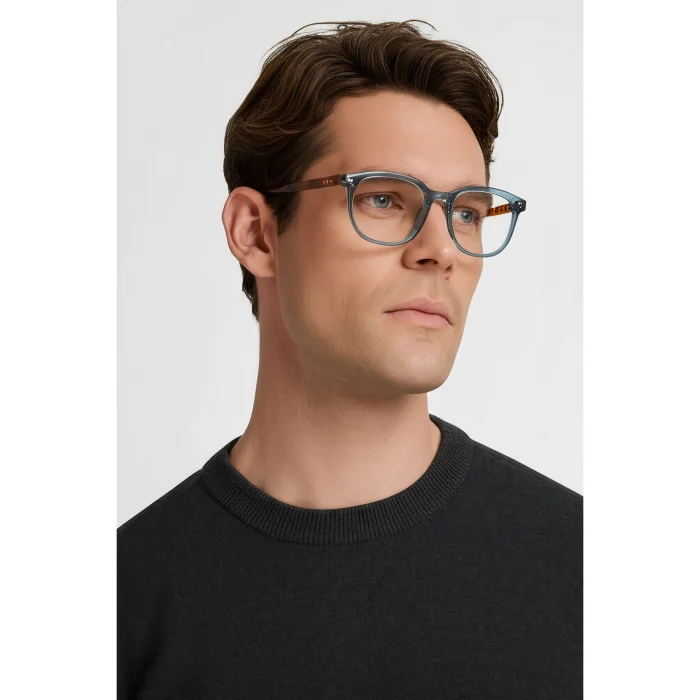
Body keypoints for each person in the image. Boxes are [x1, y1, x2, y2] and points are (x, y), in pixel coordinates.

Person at [118, 20, 582, 699]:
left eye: (466, 212)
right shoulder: (122, 606)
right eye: (384, 199)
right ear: (257, 234)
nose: (441, 250)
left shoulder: (587, 576)